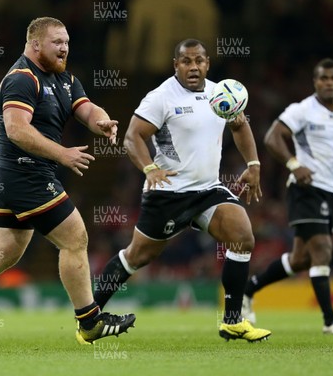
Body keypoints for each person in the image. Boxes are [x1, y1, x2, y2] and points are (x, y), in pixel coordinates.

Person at [0, 17, 135, 350]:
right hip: (23, 174)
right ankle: (90, 321)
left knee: (4, 252)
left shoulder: (64, 79)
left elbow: (86, 108)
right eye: (57, 42)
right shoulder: (21, 79)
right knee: (74, 237)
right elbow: (16, 130)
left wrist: (102, 121)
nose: (64, 48)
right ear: (35, 44)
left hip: (14, 175)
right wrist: (62, 154)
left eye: (66, 41)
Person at [92, 38, 271, 342]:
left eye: (199, 61)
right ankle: (89, 316)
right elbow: (132, 137)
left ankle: (231, 321)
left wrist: (253, 163)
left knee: (242, 236)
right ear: (176, 65)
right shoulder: (160, 97)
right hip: (169, 192)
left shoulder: (220, 93)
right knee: (136, 256)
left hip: (208, 190)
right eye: (186, 61)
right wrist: (149, 168)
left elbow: (239, 125)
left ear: (207, 64)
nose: (193, 67)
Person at [242, 58, 333, 334]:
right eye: (324, 78)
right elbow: (273, 137)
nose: (329, 83)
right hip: (306, 189)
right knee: (322, 249)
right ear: (315, 82)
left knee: (300, 259)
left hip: (331, 189)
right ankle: (330, 321)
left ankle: (249, 289)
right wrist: (294, 165)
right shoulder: (302, 110)